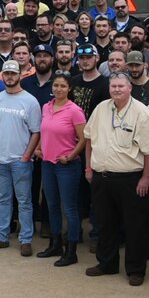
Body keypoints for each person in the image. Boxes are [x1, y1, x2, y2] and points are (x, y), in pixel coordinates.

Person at [83, 73, 149, 285]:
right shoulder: (101, 109)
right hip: (102, 177)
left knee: (135, 226)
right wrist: (89, 167)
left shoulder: (142, 114)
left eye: (121, 86)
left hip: (131, 179)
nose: (116, 89)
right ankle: (106, 263)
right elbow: (89, 138)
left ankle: (136, 270)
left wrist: (146, 178)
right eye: (113, 86)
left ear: (130, 88)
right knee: (105, 223)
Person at [0, 59, 40, 254]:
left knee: (24, 201)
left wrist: (26, 156)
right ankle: (1, 236)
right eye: (6, 74)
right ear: (2, 75)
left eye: (13, 74)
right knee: (3, 199)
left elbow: (36, 132)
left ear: (20, 75)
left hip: (20, 161)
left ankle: (25, 239)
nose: (10, 77)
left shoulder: (30, 101)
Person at [37, 73, 88, 265]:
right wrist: (39, 147)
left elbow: (83, 138)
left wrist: (72, 156)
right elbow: (45, 131)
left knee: (70, 208)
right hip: (48, 163)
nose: (58, 89)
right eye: (56, 85)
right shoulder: (46, 107)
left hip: (66, 165)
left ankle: (71, 251)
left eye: (63, 86)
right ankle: (55, 243)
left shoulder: (74, 110)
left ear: (69, 89)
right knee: (52, 206)